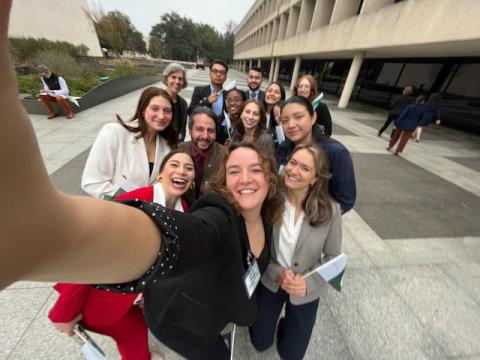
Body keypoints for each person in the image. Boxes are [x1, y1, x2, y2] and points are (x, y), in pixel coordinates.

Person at [48, 150, 194, 360]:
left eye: (188, 168)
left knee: (134, 337)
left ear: (192, 179)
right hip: (95, 298)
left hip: (129, 298)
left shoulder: (184, 211)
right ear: (161, 173)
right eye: (175, 165)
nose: (182, 171)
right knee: (131, 334)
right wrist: (64, 311)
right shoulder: (136, 200)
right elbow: (90, 251)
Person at [250, 144, 342, 360]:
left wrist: (308, 283)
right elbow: (256, 247)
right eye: (292, 163)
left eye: (305, 168)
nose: (294, 170)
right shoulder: (269, 200)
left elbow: (333, 258)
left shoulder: (331, 210)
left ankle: (286, 325)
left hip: (306, 286)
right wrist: (276, 271)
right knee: (259, 342)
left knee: (292, 355)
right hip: (271, 279)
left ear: (315, 178)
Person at [81, 87, 177, 199]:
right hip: (114, 211)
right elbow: (93, 182)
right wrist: (135, 201)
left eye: (167, 111)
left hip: (146, 214)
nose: (161, 116)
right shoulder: (115, 132)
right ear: (143, 110)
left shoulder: (167, 147)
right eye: (155, 109)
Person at [277, 96, 356, 213]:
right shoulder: (284, 146)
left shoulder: (336, 152)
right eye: (285, 120)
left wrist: (316, 218)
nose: (291, 124)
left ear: (313, 117)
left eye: (298, 117)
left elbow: (345, 200)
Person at [178, 107, 226, 204]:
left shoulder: (226, 156)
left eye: (210, 131)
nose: (205, 136)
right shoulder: (177, 151)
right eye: (199, 129)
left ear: (216, 133)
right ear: (190, 130)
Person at [162, 63, 189, 141]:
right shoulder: (158, 99)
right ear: (166, 79)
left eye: (180, 79)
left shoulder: (183, 104)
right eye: (173, 77)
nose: (177, 82)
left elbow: (182, 130)